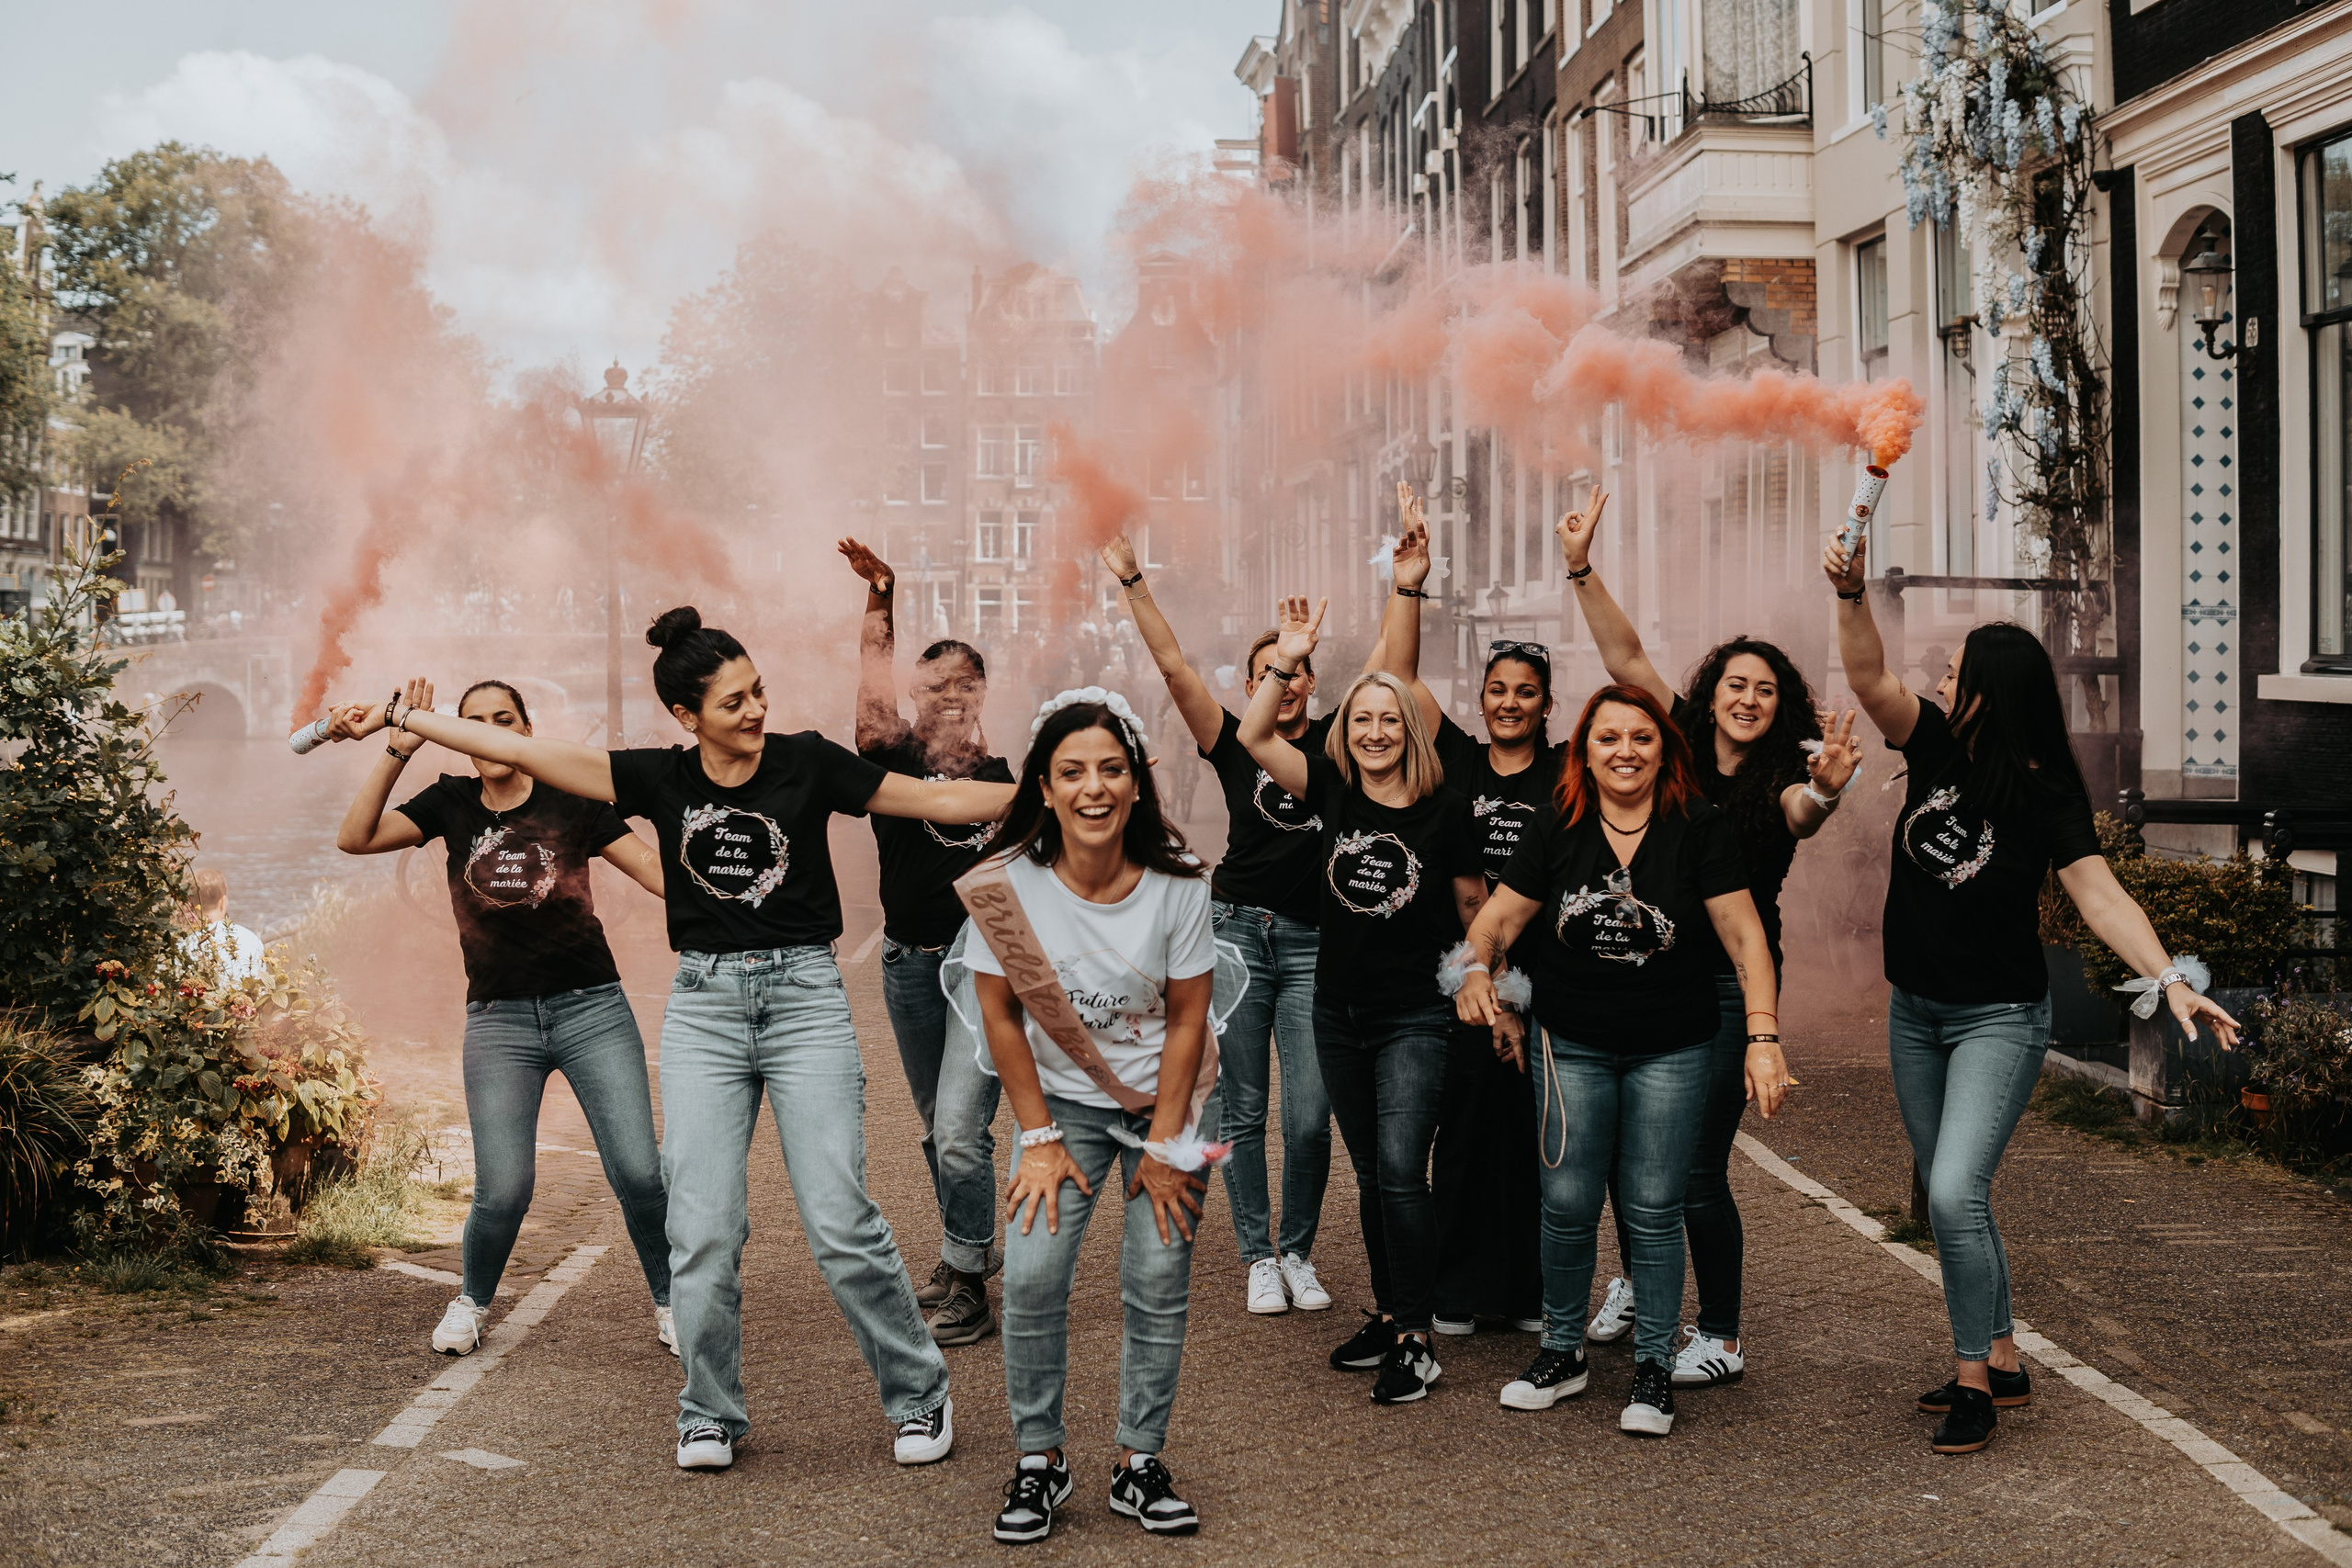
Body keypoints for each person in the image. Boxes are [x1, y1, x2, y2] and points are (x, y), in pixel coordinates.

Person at [334, 609, 1017, 1474]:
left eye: (758, 690)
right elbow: (530, 756)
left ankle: (918, 1394)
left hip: (805, 998)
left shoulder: (807, 761)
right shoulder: (656, 778)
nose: (757, 710)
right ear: (688, 716)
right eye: (734, 701)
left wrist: (1057, 790)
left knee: (840, 1221)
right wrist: (403, 722)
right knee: (700, 1227)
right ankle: (708, 1410)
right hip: (705, 1009)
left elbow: (937, 797)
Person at [1826, 532, 2240, 1454]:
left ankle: (1973, 1382)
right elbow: (1866, 677)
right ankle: (2005, 1356)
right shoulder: (1930, 749)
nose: (1936, 682)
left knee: (1951, 1193)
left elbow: (2098, 894)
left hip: (1996, 1020)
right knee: (1949, 1198)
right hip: (1914, 1013)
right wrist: (1851, 594)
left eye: (1954, 673)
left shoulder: (2045, 793)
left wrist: (2169, 978)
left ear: (1988, 689)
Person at [1556, 488, 1863, 1389]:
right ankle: (1635, 1281)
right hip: (1645, 973)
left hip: (1726, 989)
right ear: (1712, 689)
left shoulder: (1777, 784)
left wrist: (1832, 789)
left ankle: (1722, 1336)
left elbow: (1803, 817)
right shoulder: (1674, 742)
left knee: (1690, 1166)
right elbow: (1624, 654)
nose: (1748, 699)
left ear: (1781, 711)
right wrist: (1580, 566)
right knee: (1627, 1148)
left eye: (1766, 692)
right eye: (1736, 683)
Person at [1454, 682, 1790, 1439]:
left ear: (1664, 748)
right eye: (1608, 738)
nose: (1626, 751)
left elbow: (1745, 939)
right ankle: (1562, 1352)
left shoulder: (1698, 827)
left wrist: (1763, 1037)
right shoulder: (1556, 824)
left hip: (1673, 1045)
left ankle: (1650, 1367)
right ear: (1585, 750)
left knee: (1653, 1206)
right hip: (1568, 1040)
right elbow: (1497, 920)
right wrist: (1475, 971)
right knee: (1568, 1204)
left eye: (1642, 737)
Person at [329, 678, 674, 1359]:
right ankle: (472, 1300)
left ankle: (674, 1300)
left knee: (638, 1172)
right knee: (505, 1187)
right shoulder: (450, 802)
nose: (488, 730)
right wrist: (397, 749)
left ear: (524, 729)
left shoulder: (571, 797)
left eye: (503, 718)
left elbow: (657, 874)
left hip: (592, 1008)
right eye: (473, 720)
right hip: (499, 1021)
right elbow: (354, 837)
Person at [967, 693, 1216, 1543]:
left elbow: (1188, 1018)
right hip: (1062, 1107)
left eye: (1111, 769)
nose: (1094, 787)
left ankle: (1138, 1459)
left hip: (1164, 1102)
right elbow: (1000, 1015)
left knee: (1157, 1281)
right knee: (1032, 1277)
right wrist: (1034, 1138)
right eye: (1072, 771)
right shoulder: (1007, 888)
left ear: (1136, 784)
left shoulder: (1179, 885)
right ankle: (1039, 1460)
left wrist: (1167, 1143)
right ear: (1044, 786)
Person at [1239, 595, 1485, 1405]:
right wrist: (1288, 658)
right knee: (1374, 1177)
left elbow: (1475, 909)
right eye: (1364, 718)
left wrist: (1482, 978)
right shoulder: (1332, 791)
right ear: (1347, 732)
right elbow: (1252, 735)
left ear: (1409, 728)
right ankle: (1389, 1311)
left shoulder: (1448, 811)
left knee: (1401, 1173)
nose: (1376, 730)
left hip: (1415, 1016)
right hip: (1336, 1013)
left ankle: (1415, 1339)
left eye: (1390, 718)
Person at [1098, 535, 1340, 1319]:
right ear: (1253, 682)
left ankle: (1298, 1249)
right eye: (1274, 670)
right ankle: (1258, 1254)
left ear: (1314, 677)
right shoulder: (1236, 743)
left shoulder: (1339, 745)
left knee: (1308, 1115)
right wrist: (1135, 580)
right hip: (1235, 932)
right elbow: (1173, 669)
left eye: (1300, 669)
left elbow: (1397, 683)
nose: (1289, 681)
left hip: (1312, 942)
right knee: (1243, 1107)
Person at [1373, 486, 1548, 1338]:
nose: (1510, 701)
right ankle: (1454, 1286)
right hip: (1461, 978)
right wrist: (1411, 583)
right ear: (1482, 697)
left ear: (1548, 705)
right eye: (1498, 689)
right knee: (1464, 1128)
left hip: (1546, 983)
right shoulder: (1459, 764)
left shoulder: (1568, 777)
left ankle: (1525, 1291)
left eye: (1526, 692)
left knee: (1533, 1135)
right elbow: (1398, 680)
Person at [839, 537, 1012, 1348]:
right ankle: (962, 1250)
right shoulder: (894, 756)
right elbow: (870, 693)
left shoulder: (1008, 773)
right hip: (909, 966)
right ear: (915, 693)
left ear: (981, 692)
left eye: (963, 683)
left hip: (981, 971)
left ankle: (969, 1280)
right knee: (934, 1123)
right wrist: (881, 599)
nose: (949, 695)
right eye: (934, 684)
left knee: (958, 1132)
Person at [182, 868, 266, 985]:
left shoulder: (184, 945)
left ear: (189, 905)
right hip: (246, 1002)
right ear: (222, 902)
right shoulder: (251, 939)